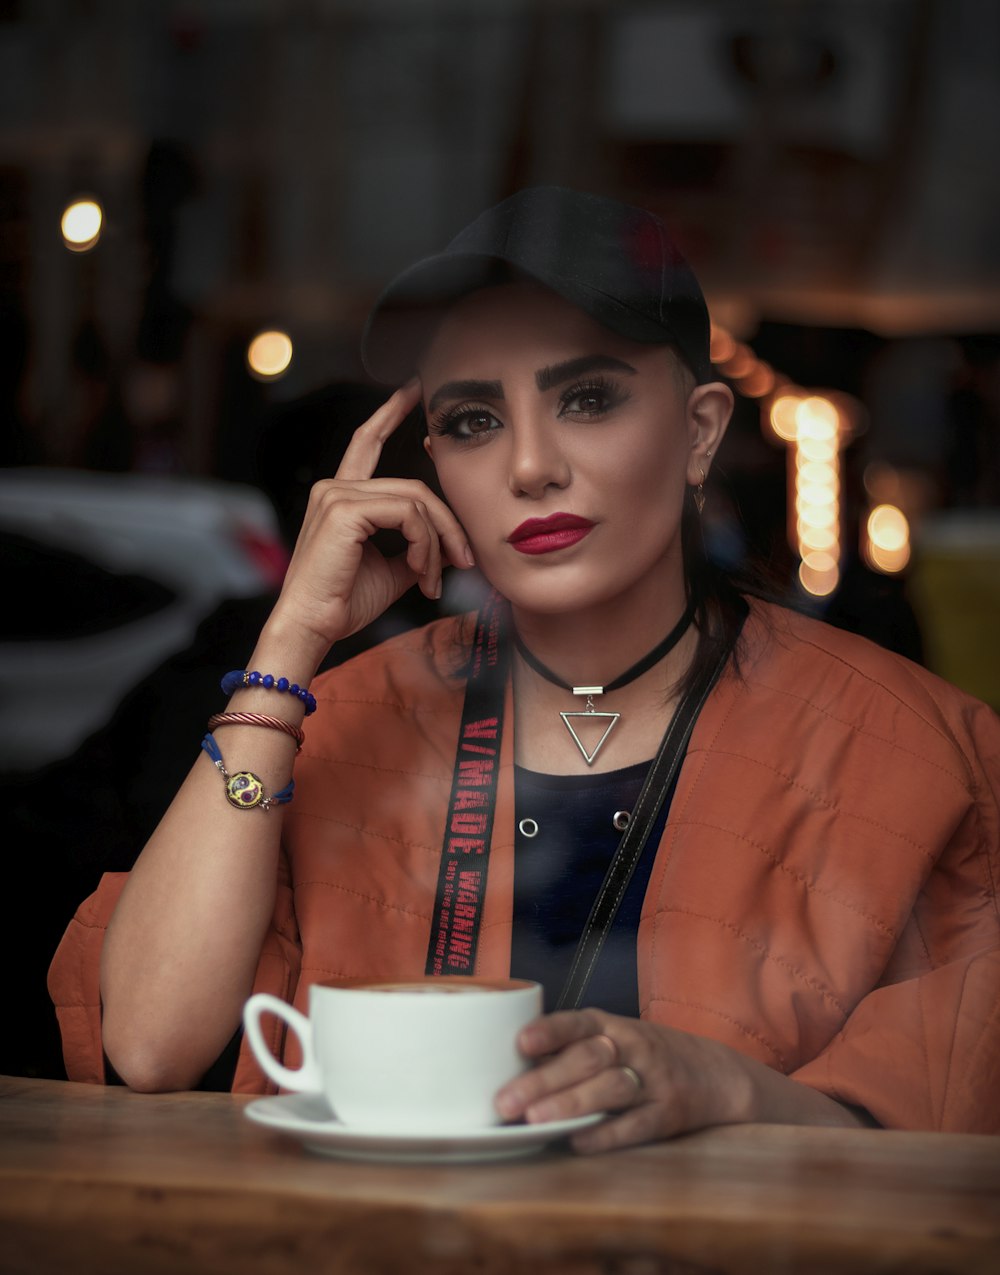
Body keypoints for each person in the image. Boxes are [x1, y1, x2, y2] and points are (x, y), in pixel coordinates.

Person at [49, 186, 1000, 1150]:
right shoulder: (333, 721)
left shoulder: (909, 745)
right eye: (472, 420)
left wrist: (728, 1086)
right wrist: (289, 639)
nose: (531, 466)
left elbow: (956, 1103)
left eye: (587, 398)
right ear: (429, 466)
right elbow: (148, 1045)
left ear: (701, 431)